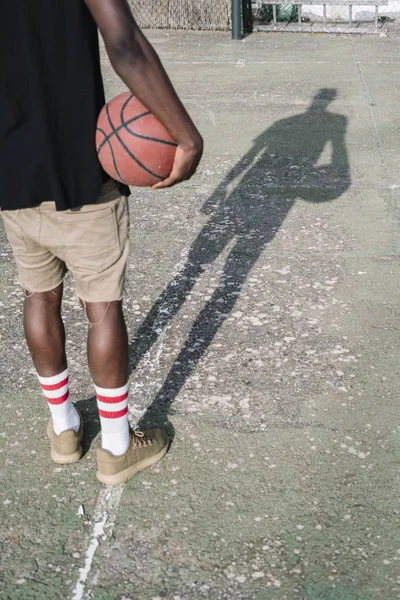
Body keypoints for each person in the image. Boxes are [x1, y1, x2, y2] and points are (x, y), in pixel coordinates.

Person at [0, 0, 203, 485]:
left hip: (11, 163)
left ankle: (64, 428)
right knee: (102, 308)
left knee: (38, 295)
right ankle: (116, 446)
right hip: (81, 165)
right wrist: (186, 137)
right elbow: (125, 44)